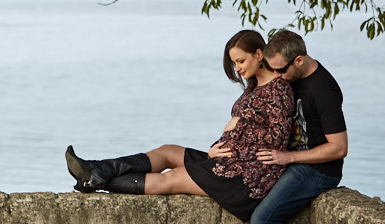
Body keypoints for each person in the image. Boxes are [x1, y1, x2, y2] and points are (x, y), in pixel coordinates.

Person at [65, 30, 294, 223]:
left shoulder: (279, 89)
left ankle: (95, 179)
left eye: (241, 61)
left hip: (248, 176)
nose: (237, 68)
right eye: (234, 63)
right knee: (168, 151)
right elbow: (238, 132)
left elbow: (278, 138)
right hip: (230, 160)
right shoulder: (253, 87)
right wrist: (216, 147)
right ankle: (98, 168)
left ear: (259, 54)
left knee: (172, 178)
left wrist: (240, 124)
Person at [247, 30, 347, 224]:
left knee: (261, 219)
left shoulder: (324, 91)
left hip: (317, 170)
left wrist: (289, 157)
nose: (276, 76)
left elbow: (339, 148)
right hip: (286, 159)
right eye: (272, 69)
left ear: (299, 60)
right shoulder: (287, 76)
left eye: (281, 70)